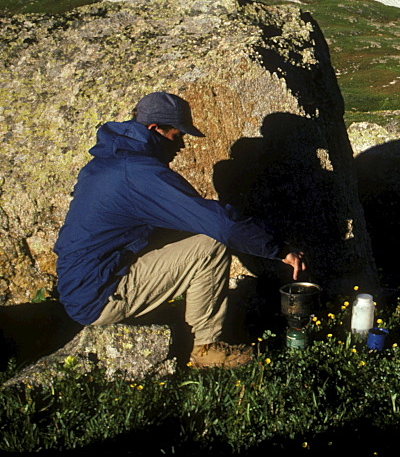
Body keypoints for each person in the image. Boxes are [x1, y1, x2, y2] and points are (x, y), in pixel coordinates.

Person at [54, 92, 306, 368]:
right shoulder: (139, 173)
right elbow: (218, 223)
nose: (182, 145)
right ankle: (206, 349)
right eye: (177, 135)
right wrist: (278, 249)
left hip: (80, 284)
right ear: (155, 130)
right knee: (210, 246)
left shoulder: (107, 162)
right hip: (98, 295)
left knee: (189, 236)